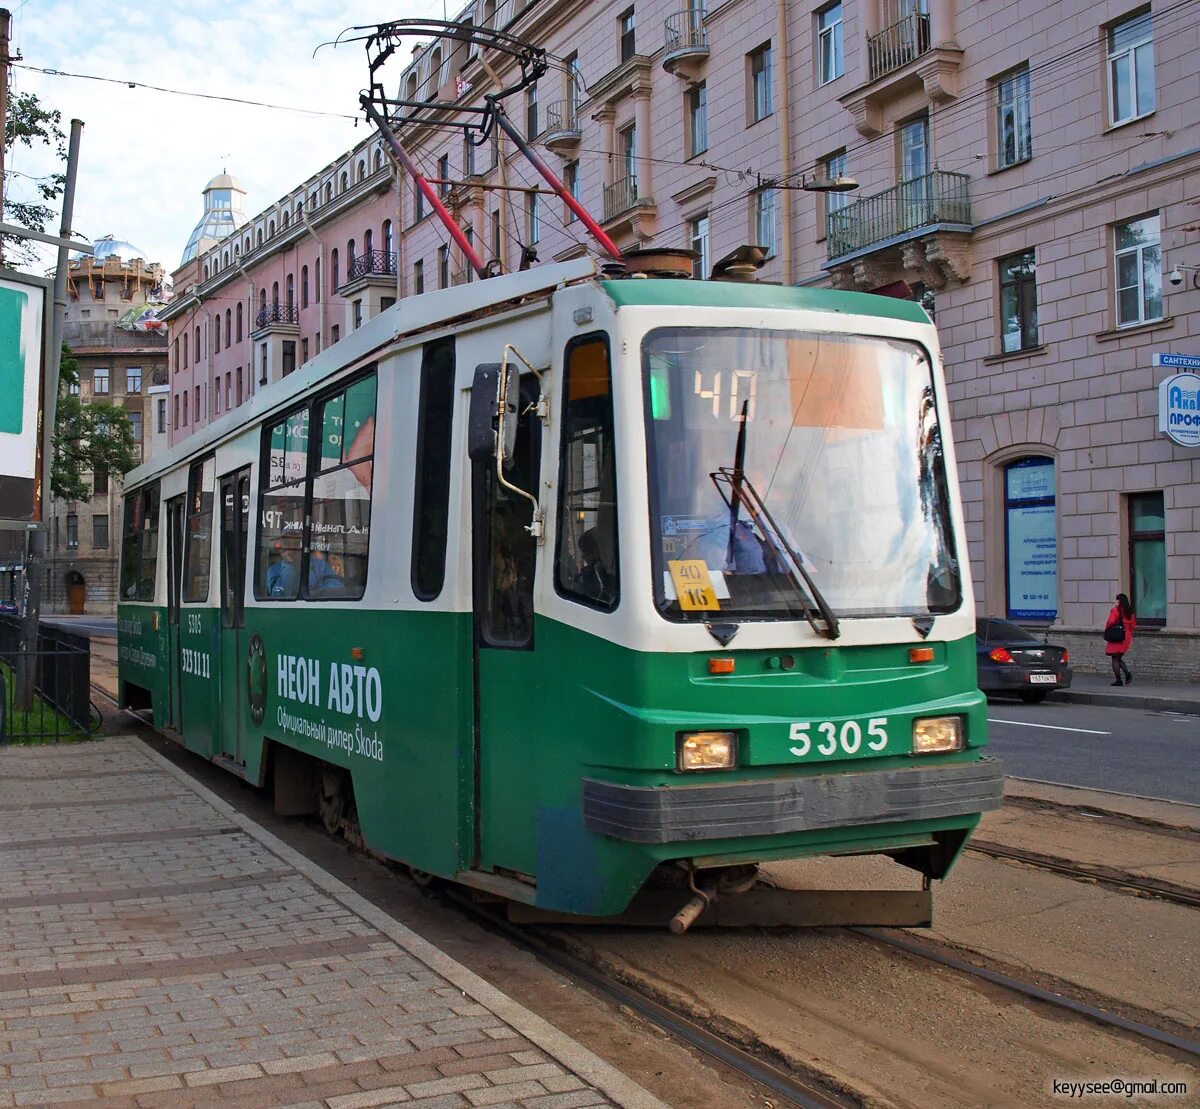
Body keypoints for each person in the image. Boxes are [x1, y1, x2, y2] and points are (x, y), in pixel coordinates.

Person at [574, 528, 616, 604]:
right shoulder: (585, 576)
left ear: (596, 550)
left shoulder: (609, 576)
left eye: (585, 551)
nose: (583, 556)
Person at [1104, 592, 1135, 686]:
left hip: (1117, 635)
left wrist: (1107, 630)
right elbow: (1133, 625)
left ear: (1119, 601)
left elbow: (1110, 622)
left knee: (1115, 658)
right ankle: (1127, 674)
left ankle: (1119, 680)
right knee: (1118, 657)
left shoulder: (1115, 610)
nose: (1115, 601)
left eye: (1117, 599)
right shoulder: (1130, 612)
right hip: (1127, 636)